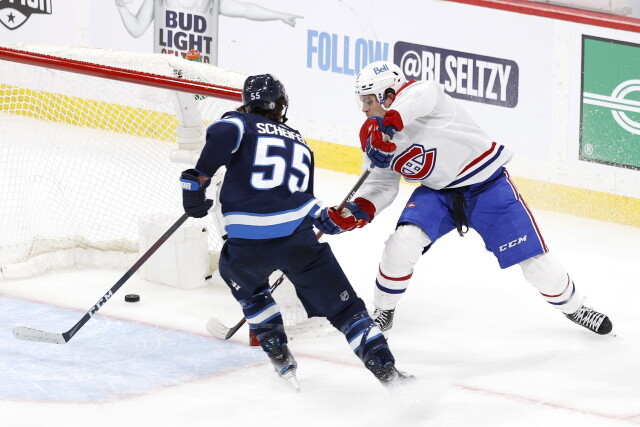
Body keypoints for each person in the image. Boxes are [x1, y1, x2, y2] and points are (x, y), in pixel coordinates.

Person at [314, 61, 613, 337]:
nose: (364, 109)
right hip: (437, 194)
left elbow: (422, 97)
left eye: (369, 100)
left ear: (389, 94)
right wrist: (354, 213)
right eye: (362, 101)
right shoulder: (372, 135)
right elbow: (380, 184)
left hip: (488, 186)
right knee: (402, 242)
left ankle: (575, 308)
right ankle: (384, 310)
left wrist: (389, 125)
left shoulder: (421, 93)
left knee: (536, 264)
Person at [180, 73, 412, 389]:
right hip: (298, 238)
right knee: (347, 310)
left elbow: (222, 132)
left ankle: (279, 355)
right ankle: (390, 375)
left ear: (248, 105)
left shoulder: (239, 123)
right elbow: (298, 194)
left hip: (246, 244)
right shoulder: (301, 142)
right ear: (282, 105)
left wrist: (197, 179)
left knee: (247, 285)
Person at [115, 0, 302, 65]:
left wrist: (280, 15)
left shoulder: (210, 2)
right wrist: (121, 6)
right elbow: (137, 29)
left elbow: (246, 9)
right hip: (167, 71)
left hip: (199, 75)